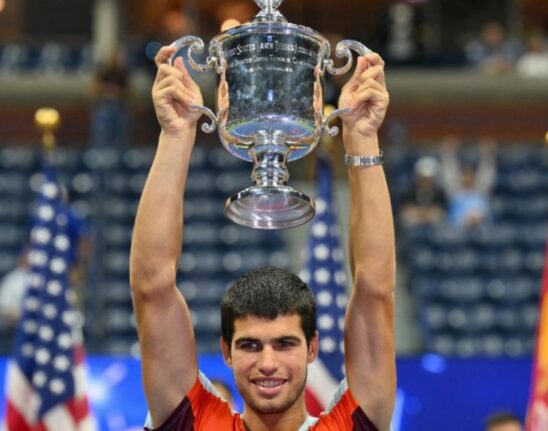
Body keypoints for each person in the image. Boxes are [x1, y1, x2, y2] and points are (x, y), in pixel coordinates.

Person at [130, 45, 395, 431]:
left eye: (285, 343)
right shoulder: (197, 423)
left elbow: (375, 290)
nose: (267, 363)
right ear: (226, 351)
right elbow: (152, 287)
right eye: (249, 345)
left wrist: (363, 136)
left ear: (312, 348)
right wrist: (176, 133)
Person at [440, 134, 497, 229]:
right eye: (465, 175)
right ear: (460, 177)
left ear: (475, 177)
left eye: (470, 175)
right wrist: (448, 154)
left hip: (481, 230)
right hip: (459, 231)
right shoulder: (455, 192)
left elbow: (487, 174)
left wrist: (488, 155)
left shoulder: (480, 191)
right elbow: (449, 173)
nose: (467, 178)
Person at [399, 155, 447, 227]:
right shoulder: (409, 193)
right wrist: (421, 214)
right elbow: (405, 212)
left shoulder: (439, 193)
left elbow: (442, 213)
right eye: (423, 179)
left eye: (429, 179)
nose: (426, 182)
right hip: (413, 227)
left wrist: (426, 214)